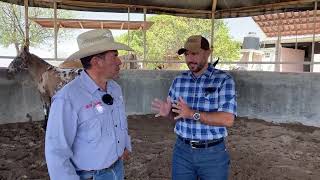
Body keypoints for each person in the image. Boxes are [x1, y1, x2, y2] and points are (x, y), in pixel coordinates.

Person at [45, 29, 132, 180]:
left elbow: (119, 123)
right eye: (115, 56)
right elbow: (56, 153)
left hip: (117, 170)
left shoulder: (115, 89)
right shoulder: (67, 98)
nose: (119, 61)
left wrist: (125, 145)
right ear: (96, 62)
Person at [152, 35, 237, 180]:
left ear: (208, 53)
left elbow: (228, 119)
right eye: (186, 54)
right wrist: (168, 114)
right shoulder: (179, 81)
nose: (190, 58)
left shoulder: (223, 80)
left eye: (195, 53)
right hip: (182, 151)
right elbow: (177, 117)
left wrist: (191, 113)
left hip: (212, 153)